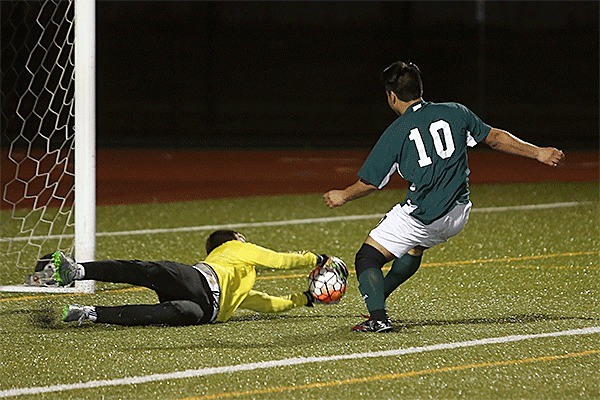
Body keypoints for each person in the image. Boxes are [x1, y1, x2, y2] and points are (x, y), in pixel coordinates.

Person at [323, 61, 565, 333]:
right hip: (458, 213)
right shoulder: (455, 111)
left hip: (423, 215)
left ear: (392, 96)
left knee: (367, 258)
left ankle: (378, 318)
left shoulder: (397, 131)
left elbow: (370, 182)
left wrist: (342, 195)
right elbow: (494, 137)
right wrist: (539, 152)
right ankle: (377, 296)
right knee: (414, 246)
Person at [53, 229, 345, 326]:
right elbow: (280, 261)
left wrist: (303, 298)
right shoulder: (235, 248)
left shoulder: (243, 284)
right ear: (232, 240)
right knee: (151, 271)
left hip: (207, 310)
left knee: (163, 307)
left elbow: (267, 303)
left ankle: (90, 314)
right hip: (198, 281)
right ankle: (79, 271)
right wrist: (317, 258)